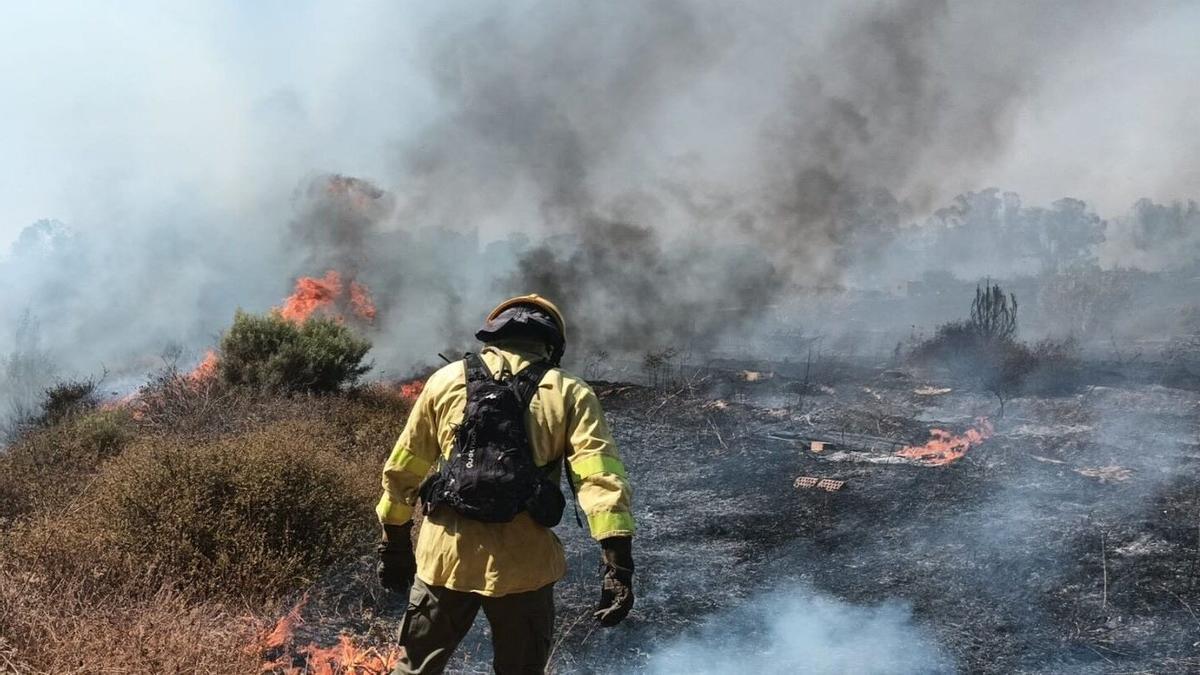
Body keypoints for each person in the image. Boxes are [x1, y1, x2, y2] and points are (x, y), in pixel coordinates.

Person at [376, 294, 636, 675]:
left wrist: (394, 542)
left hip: (444, 559)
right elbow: (599, 479)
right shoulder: (570, 392)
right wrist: (618, 566)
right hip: (524, 567)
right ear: (552, 344)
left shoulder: (445, 381)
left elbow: (403, 470)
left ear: (493, 334)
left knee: (413, 670)